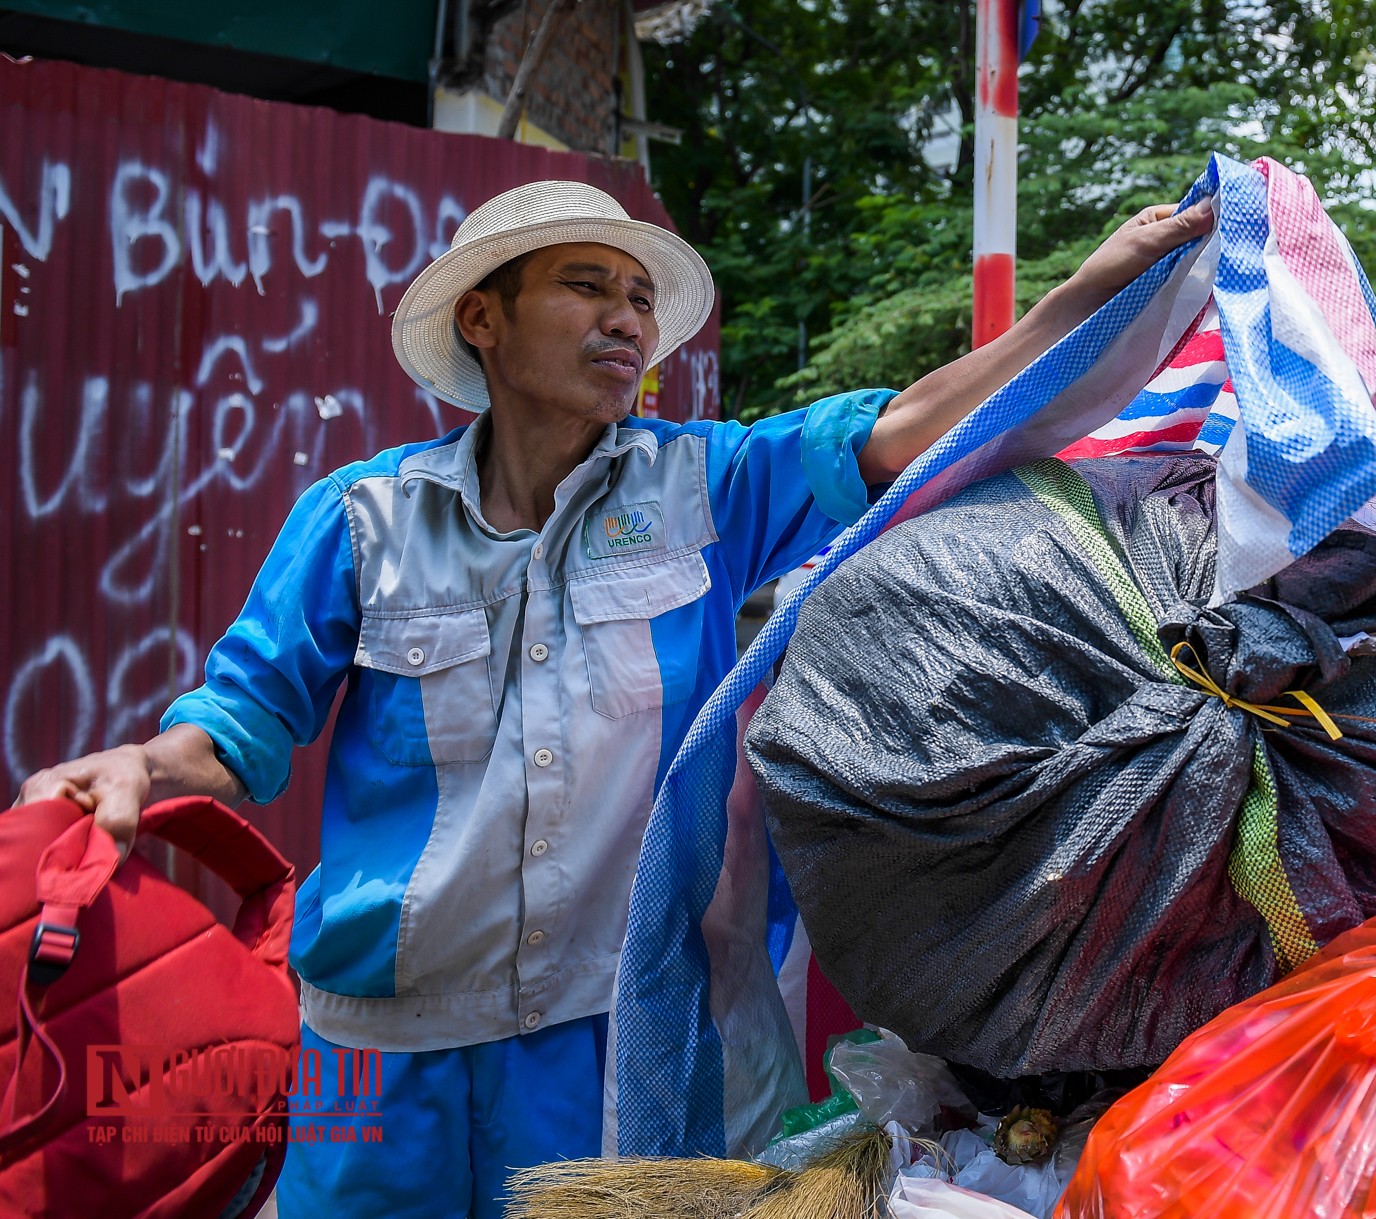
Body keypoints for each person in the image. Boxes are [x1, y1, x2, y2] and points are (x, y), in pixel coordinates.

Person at [14, 180, 1211, 1216]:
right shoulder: (359, 518)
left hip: (618, 1037)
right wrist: (141, 765)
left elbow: (915, 425)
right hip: (380, 1045)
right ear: (482, 319)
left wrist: (1091, 288)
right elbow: (240, 723)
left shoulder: (709, 484)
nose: (626, 321)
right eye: (587, 288)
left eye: (639, 300)